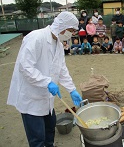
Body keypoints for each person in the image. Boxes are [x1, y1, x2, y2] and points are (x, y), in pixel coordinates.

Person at [7, 12, 83, 147]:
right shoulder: (36, 37)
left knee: (49, 132)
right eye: (71, 31)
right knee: (37, 139)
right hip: (31, 99)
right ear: (62, 27)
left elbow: (62, 69)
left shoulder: (58, 45)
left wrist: (72, 89)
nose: (71, 34)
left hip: (47, 99)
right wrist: (47, 82)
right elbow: (25, 67)